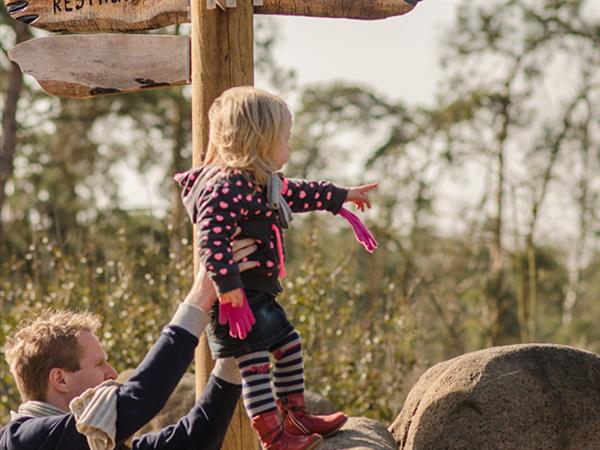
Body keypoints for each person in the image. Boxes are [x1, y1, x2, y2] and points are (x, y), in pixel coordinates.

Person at [174, 86, 378, 450]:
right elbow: (212, 242)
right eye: (285, 137)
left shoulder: (261, 184)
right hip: (237, 302)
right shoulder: (223, 188)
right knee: (253, 366)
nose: (290, 144)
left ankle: (295, 414)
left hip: (260, 295)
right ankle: (272, 436)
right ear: (261, 141)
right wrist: (228, 288)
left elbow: (300, 192)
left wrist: (341, 195)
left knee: (289, 345)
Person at [0, 237, 259, 450]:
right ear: (60, 379)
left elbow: (191, 441)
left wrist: (230, 362)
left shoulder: (95, 440)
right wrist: (201, 294)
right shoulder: (23, 441)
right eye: (99, 364)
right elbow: (138, 399)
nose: (112, 373)